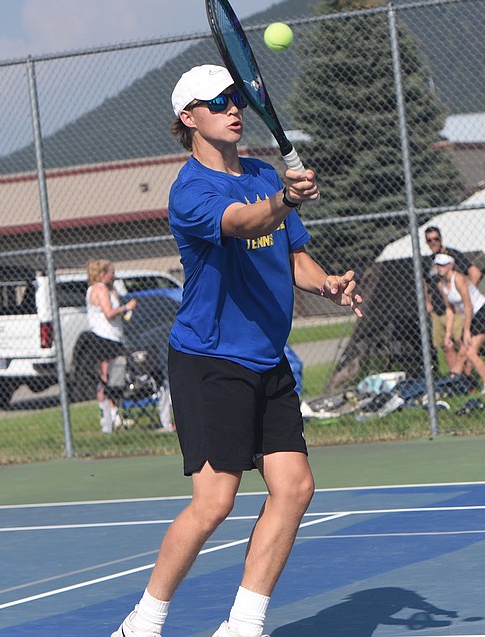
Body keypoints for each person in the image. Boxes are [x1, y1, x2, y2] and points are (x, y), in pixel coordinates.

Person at [111, 64, 363, 637]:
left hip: (267, 358)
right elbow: (246, 223)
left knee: (296, 487)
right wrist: (285, 198)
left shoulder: (259, 173)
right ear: (187, 118)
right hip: (210, 360)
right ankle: (143, 623)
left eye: (236, 98)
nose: (234, 107)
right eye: (218, 101)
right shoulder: (191, 192)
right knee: (215, 502)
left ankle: (243, 625)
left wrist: (327, 284)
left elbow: (293, 256)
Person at [433, 252, 485, 394]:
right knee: (461, 354)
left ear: (450, 266)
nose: (440, 269)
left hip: (483, 314)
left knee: (471, 352)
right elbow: (449, 310)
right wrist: (448, 335)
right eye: (438, 266)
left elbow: (469, 306)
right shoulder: (441, 285)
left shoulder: (459, 279)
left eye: (443, 265)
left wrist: (466, 330)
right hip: (471, 317)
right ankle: (452, 383)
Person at [85, 258, 136, 433]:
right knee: (106, 377)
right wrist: (126, 307)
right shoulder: (98, 289)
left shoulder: (109, 288)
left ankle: (114, 413)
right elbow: (109, 313)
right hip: (103, 338)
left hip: (115, 337)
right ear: (102, 274)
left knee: (117, 375)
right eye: (111, 273)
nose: (113, 276)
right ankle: (109, 416)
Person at [422, 226, 471, 376]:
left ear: (441, 238)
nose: (433, 242)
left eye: (436, 239)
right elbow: (425, 283)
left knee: (461, 343)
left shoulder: (452, 255)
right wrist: (427, 302)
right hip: (438, 310)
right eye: (429, 240)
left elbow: (474, 273)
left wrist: (466, 296)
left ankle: (468, 377)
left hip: (455, 310)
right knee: (446, 346)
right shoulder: (429, 261)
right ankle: (454, 377)